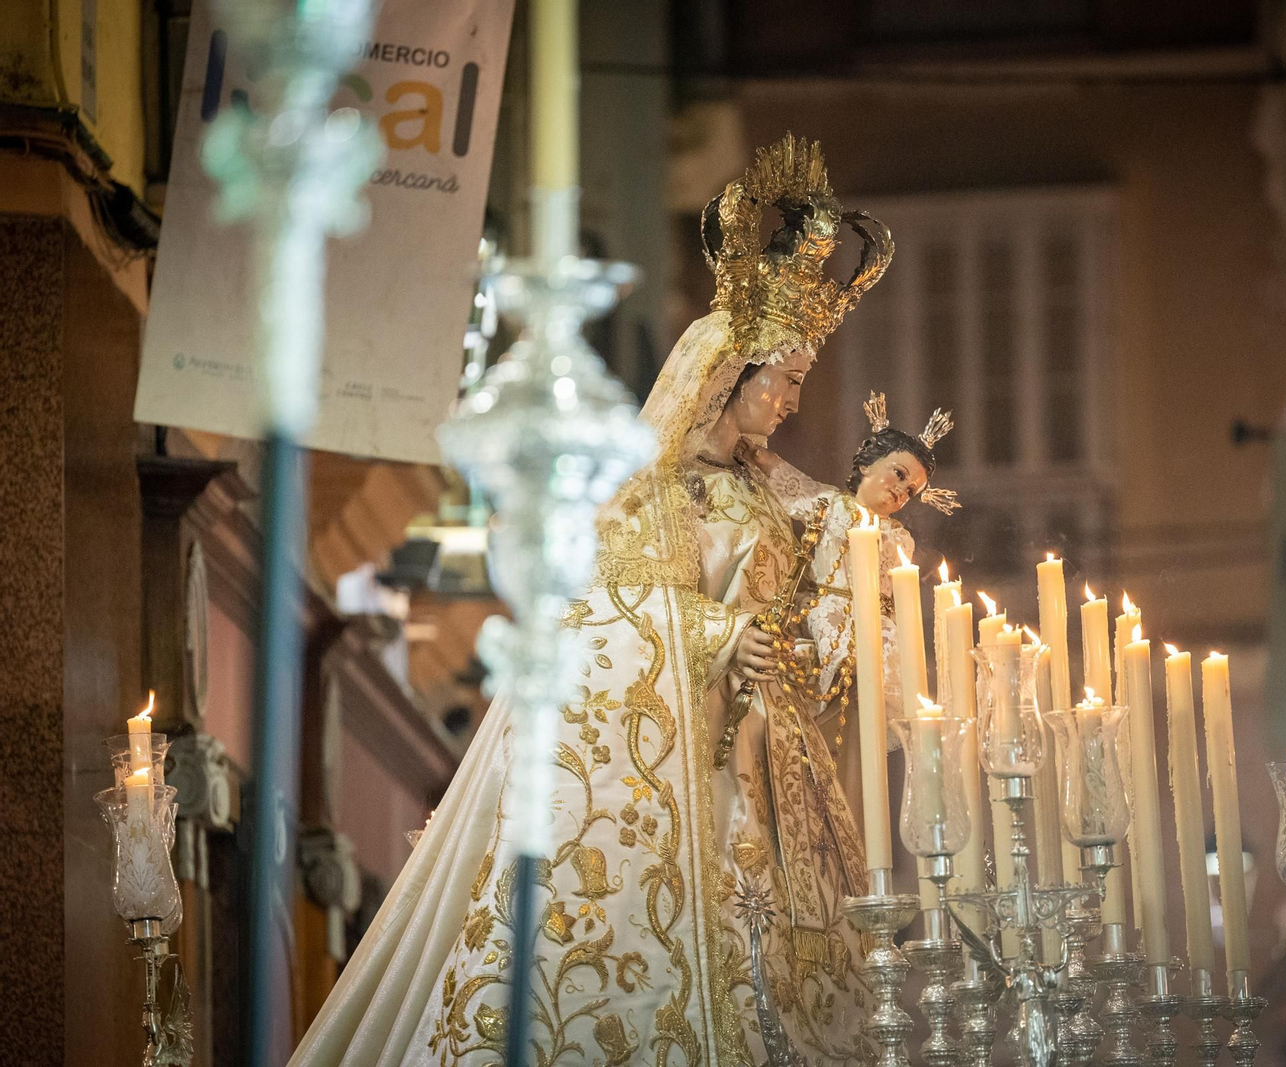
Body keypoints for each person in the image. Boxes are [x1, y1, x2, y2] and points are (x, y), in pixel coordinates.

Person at [287, 134, 893, 1067]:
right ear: (732, 374)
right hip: (678, 782)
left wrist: (850, 587)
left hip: (770, 787)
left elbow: (821, 597)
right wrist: (723, 631)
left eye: (801, 385)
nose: (792, 407)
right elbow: (600, 622)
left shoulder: (775, 497)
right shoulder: (635, 496)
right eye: (786, 382)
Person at [746, 392, 958, 818]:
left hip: (875, 638)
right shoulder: (829, 505)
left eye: (911, 490)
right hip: (824, 623)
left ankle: (850, 817)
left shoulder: (900, 538)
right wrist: (751, 450)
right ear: (865, 465)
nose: (901, 491)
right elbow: (786, 479)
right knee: (815, 735)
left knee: (860, 743)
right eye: (898, 474)